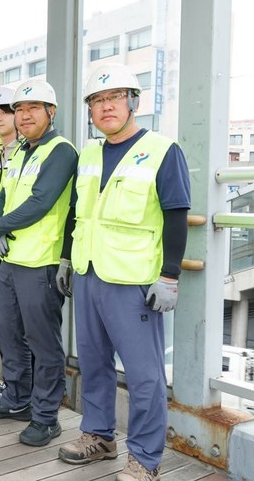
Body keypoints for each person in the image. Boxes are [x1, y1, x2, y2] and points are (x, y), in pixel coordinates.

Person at [57, 63, 190, 481]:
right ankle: (99, 436)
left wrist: (170, 276)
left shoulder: (163, 150)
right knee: (93, 362)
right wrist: (66, 258)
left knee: (144, 375)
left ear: (133, 101)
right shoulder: (89, 154)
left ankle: (145, 458)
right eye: (97, 100)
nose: (106, 106)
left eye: (114, 97)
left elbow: (176, 216)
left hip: (132, 280)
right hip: (88, 272)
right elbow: (77, 213)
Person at [0, 79, 77, 448]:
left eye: (33, 108)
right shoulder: (21, 151)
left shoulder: (61, 151)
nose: (24, 115)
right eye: (19, 109)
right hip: (11, 259)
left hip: (41, 262)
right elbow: (5, 196)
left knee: (43, 342)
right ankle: (17, 398)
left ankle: (46, 417)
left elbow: (41, 201)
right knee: (8, 333)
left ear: (51, 112)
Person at [0, 86, 26, 397]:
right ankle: (14, 383)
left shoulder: (26, 151)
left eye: (4, 112)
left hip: (21, 246)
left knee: (21, 323)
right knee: (5, 319)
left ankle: (23, 386)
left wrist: (0, 228)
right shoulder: (1, 152)